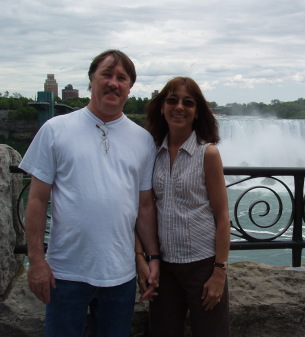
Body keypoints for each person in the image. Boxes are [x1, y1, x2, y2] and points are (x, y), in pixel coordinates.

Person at [19, 49, 160, 337]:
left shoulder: (143, 140)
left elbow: (144, 206)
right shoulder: (56, 130)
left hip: (120, 276)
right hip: (65, 273)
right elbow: (36, 200)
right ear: (91, 81)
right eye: (106, 75)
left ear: (130, 88)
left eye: (122, 78)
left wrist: (152, 258)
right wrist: (36, 261)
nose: (114, 83)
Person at [142, 77, 230, 337]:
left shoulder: (208, 153)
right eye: (172, 100)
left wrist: (219, 272)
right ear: (161, 107)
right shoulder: (152, 151)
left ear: (197, 111)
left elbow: (223, 216)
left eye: (188, 103)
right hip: (164, 266)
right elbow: (143, 206)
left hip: (202, 265)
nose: (179, 107)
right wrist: (147, 258)